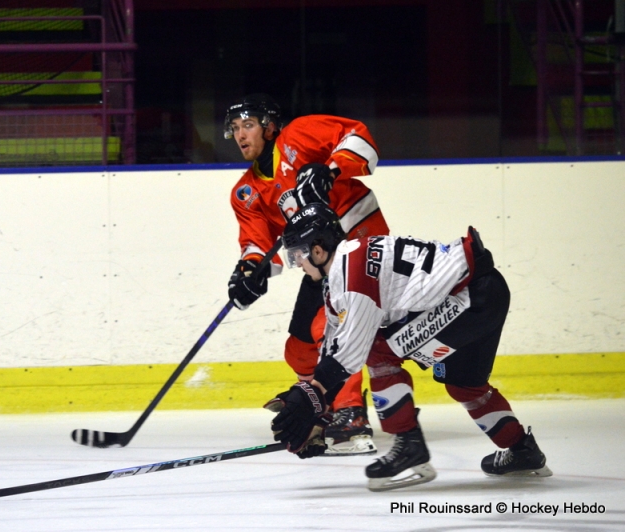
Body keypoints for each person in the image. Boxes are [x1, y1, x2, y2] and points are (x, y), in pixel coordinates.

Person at [271, 203, 552, 491]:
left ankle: (408, 445)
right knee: (464, 383)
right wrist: (319, 412)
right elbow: (334, 347)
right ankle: (521, 450)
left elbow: (351, 353)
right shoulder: (344, 269)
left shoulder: (350, 273)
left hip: (469, 299)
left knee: (377, 351)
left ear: (318, 250)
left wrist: (310, 395)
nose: (298, 265)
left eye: (298, 256)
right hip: (485, 292)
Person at [224, 93, 389, 455]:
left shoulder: (299, 135)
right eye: (235, 128)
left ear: (268, 127)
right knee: (298, 346)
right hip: (318, 261)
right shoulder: (246, 192)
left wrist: (330, 170)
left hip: (359, 240)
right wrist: (250, 272)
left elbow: (360, 139)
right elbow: (258, 245)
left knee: (326, 325)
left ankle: (351, 415)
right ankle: (317, 405)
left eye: (248, 125)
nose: (240, 135)